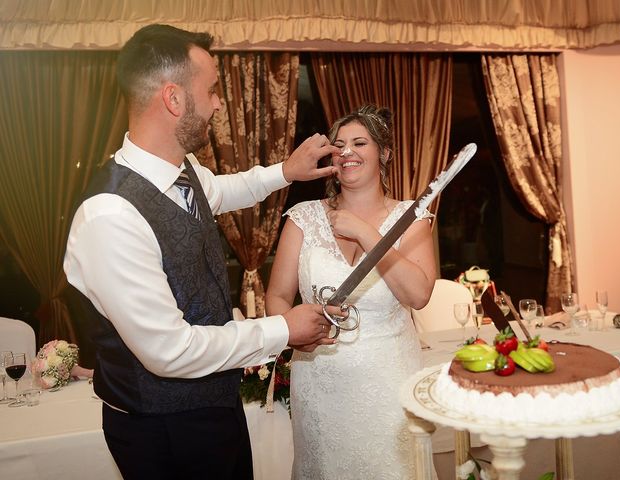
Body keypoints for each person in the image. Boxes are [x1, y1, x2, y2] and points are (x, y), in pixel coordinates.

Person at [63, 24, 341, 480]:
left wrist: (285, 171)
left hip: (214, 406)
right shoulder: (110, 216)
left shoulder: (182, 168)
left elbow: (222, 190)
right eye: (211, 90)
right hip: (163, 430)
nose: (218, 103)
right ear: (173, 99)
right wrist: (281, 329)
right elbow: (169, 351)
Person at [266, 104, 437, 479]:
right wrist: (294, 335)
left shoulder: (412, 218)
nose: (347, 152)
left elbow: (418, 295)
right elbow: (278, 295)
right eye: (339, 144)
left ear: (384, 153)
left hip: (389, 378)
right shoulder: (303, 218)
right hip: (319, 379)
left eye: (360, 142)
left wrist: (364, 232)